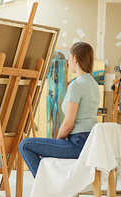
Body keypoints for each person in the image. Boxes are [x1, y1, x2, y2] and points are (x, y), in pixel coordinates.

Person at [19, 42, 100, 178]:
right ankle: (50, 184)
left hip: (77, 144)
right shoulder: (94, 84)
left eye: (69, 57)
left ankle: (45, 185)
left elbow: (68, 123)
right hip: (90, 143)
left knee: (25, 145)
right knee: (44, 155)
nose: (68, 62)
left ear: (75, 58)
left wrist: (57, 140)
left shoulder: (76, 85)